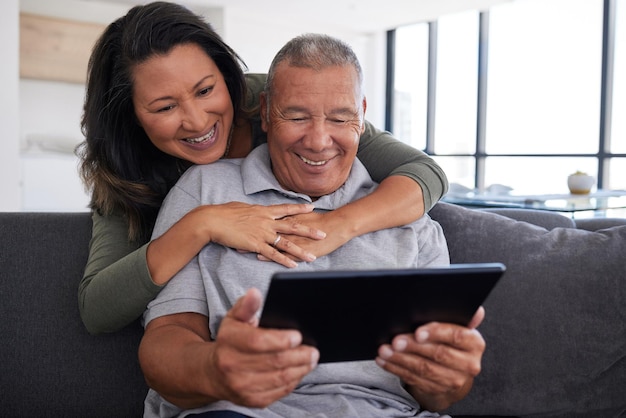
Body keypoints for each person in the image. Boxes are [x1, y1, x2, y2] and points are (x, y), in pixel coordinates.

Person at [139, 33, 485, 418]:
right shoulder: (206, 190)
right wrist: (215, 368)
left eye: (340, 118)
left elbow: (435, 397)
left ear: (362, 115)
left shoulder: (410, 220)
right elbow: (164, 342)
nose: (320, 142)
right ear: (266, 112)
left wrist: (446, 380)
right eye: (298, 116)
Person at [76, 1, 449, 335]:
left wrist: (337, 226)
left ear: (227, 76)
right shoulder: (124, 171)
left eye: (206, 90)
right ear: (133, 117)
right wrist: (200, 223)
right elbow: (97, 309)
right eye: (164, 108)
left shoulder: (282, 105)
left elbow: (423, 173)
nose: (196, 121)